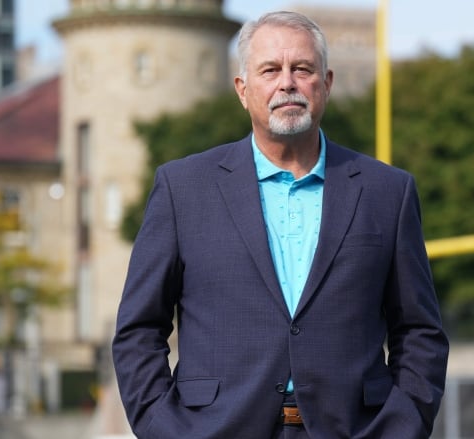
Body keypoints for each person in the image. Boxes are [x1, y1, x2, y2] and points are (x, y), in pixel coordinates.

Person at [112, 10, 449, 439]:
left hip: (355, 430)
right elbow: (139, 330)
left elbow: (419, 330)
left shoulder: (388, 191)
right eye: (270, 69)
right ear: (243, 89)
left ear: (325, 84)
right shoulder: (183, 189)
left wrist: (403, 427)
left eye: (302, 69)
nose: (287, 82)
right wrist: (165, 429)